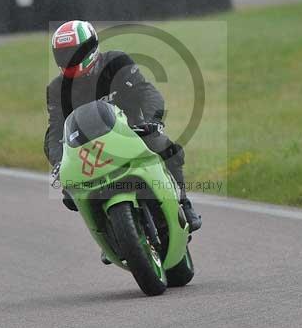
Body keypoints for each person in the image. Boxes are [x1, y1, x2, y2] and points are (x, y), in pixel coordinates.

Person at [44, 20, 201, 232]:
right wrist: (58, 161)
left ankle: (183, 203)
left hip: (133, 132)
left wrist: (153, 121)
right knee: (70, 193)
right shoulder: (57, 88)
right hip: (90, 151)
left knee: (165, 147)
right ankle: (108, 230)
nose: (69, 59)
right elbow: (55, 130)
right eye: (63, 54)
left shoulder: (116, 62)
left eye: (75, 52)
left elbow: (145, 91)